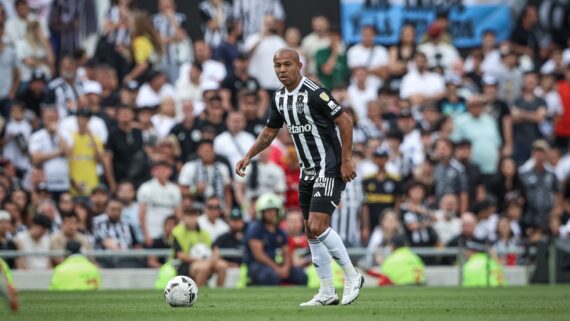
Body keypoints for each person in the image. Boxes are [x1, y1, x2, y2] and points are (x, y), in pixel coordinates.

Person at [236, 48, 362, 306]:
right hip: (307, 171)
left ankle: (352, 275)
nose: (282, 70)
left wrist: (347, 160)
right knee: (310, 232)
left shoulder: (316, 93)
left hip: (328, 166)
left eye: (287, 64)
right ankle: (327, 291)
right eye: (278, 65)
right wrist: (248, 155)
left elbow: (345, 121)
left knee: (318, 225)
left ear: (299, 65)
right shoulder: (279, 98)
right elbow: (270, 132)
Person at [243, 193, 307, 286]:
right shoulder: (255, 228)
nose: (271, 213)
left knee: (301, 276)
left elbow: (286, 252)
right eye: (268, 210)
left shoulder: (280, 231)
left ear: (278, 212)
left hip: (278, 265)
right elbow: (258, 255)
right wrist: (276, 268)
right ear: (262, 212)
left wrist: (285, 268)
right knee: (270, 276)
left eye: (273, 210)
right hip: (257, 265)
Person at [171, 206, 227, 287]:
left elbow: (215, 248)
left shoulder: (204, 232)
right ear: (184, 217)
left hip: (206, 260)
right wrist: (199, 260)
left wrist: (214, 258)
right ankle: (197, 292)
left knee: (222, 265)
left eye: (194, 216)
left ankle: (219, 291)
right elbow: (180, 255)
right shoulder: (177, 232)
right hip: (184, 264)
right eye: (189, 216)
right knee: (203, 267)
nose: (192, 219)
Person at [361, 147, 402, 244]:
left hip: (389, 224)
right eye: (377, 157)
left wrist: (395, 222)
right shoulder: (367, 180)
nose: (380, 160)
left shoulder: (394, 180)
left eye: (382, 157)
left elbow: (397, 203)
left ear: (387, 159)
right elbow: (365, 206)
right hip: (372, 221)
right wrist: (365, 227)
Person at [137, 160, 182, 246]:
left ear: (170, 171)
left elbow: (178, 213)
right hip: (152, 230)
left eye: (165, 169)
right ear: (153, 171)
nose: (162, 172)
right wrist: (145, 234)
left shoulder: (175, 189)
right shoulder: (145, 188)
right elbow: (141, 214)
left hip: (170, 230)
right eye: (158, 169)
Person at [28, 106, 70, 197]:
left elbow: (67, 152)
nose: (51, 121)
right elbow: (35, 158)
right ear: (43, 119)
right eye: (49, 118)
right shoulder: (37, 136)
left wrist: (58, 132)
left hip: (63, 182)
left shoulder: (65, 135)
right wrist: (59, 152)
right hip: (44, 182)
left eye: (54, 118)